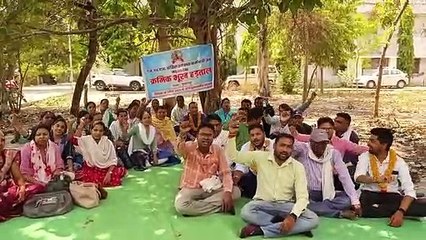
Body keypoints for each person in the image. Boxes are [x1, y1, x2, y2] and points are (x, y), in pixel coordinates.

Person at [226, 125, 319, 238]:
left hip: (286, 205)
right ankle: (295, 227)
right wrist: (231, 136)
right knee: (246, 212)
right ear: (274, 146)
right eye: (282, 145)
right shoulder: (260, 157)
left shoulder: (297, 167)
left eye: (289, 147)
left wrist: (293, 217)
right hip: (263, 203)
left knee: (313, 219)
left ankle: (260, 230)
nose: (285, 150)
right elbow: (234, 156)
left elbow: (303, 197)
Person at [354, 128, 426, 226]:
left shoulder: (399, 162)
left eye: (372, 141)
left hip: (391, 196)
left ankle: (383, 211)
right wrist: (375, 179)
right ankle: (390, 211)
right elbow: (358, 177)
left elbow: (409, 190)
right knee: (361, 205)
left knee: (423, 208)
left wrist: (400, 211)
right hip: (369, 194)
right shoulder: (365, 156)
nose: (368, 144)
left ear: (384, 145)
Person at [174, 122, 241, 216]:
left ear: (213, 137)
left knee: (236, 192)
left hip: (210, 188)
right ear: (197, 136)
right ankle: (220, 206)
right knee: (180, 205)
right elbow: (178, 150)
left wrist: (227, 192)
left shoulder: (217, 150)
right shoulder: (189, 146)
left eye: (209, 135)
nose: (206, 138)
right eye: (203, 134)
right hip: (191, 188)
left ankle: (197, 208)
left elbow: (225, 172)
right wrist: (182, 134)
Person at [293, 129, 361, 219]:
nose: (321, 146)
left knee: (347, 201)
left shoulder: (333, 153)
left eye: (323, 143)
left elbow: (345, 177)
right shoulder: (303, 149)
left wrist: (355, 202)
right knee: (299, 204)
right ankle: (338, 213)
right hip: (307, 193)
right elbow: (288, 143)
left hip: (328, 194)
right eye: (317, 143)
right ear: (311, 142)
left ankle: (317, 208)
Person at [0, 130, 45, 222]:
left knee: (38, 187)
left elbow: (19, 178)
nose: (0, 143)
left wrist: (22, 187)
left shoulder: (8, 155)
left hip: (9, 189)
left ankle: (12, 206)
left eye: (2, 140)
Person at [73, 121, 126, 187]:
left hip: (106, 168)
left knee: (115, 176)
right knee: (92, 178)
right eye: (95, 130)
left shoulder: (108, 142)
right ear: (91, 130)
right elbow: (73, 139)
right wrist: (80, 126)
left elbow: (113, 160)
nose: (98, 133)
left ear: (103, 132)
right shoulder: (86, 140)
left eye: (100, 131)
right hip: (92, 169)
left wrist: (109, 173)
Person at [237, 124, 274, 199]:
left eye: (258, 134)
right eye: (252, 135)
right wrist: (236, 177)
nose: (255, 138)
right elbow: (241, 165)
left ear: (264, 134)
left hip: (271, 177)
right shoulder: (246, 147)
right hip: (253, 177)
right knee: (247, 179)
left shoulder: (273, 145)